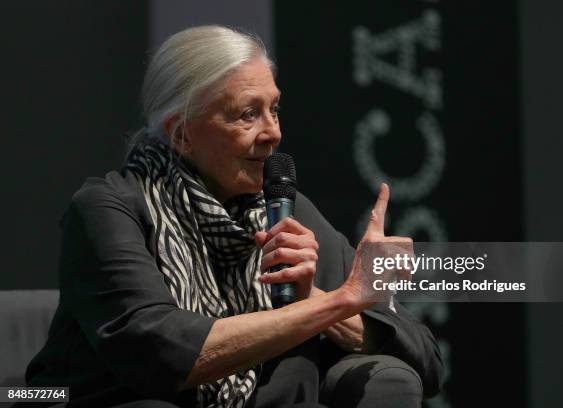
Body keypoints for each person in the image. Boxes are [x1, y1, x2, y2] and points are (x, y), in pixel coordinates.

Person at [24, 25, 443, 408]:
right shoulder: (109, 208)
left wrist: (312, 299)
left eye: (274, 110)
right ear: (182, 134)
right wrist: (339, 301)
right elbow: (160, 353)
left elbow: (424, 355)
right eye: (248, 114)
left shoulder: (284, 209)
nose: (273, 132)